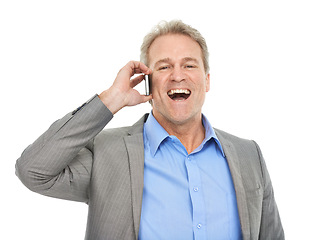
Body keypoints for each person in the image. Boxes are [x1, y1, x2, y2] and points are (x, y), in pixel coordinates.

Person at [15, 20, 284, 240]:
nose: (177, 75)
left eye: (189, 65)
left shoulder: (249, 155)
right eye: (164, 67)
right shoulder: (108, 153)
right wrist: (111, 99)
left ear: (207, 80)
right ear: (147, 83)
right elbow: (33, 171)